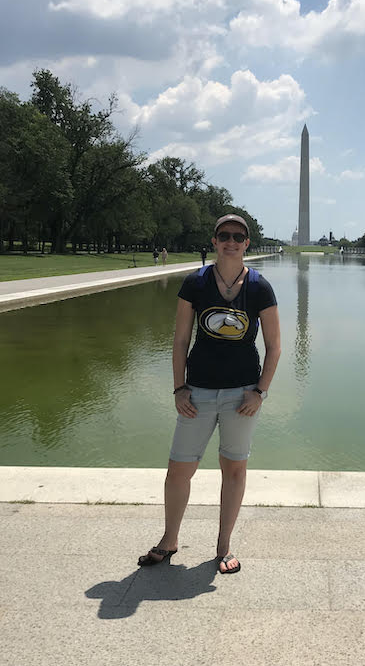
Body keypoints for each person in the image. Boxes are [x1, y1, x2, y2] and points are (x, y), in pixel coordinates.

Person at [138, 214, 281, 575]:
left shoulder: (260, 287)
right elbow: (181, 340)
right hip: (197, 391)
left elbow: (275, 346)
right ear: (214, 241)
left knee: (234, 471)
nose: (230, 241)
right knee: (178, 471)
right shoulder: (195, 283)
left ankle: (223, 547)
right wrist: (178, 386)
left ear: (247, 243)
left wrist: (260, 392)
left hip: (242, 395)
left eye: (238, 236)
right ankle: (170, 540)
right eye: (224, 235)